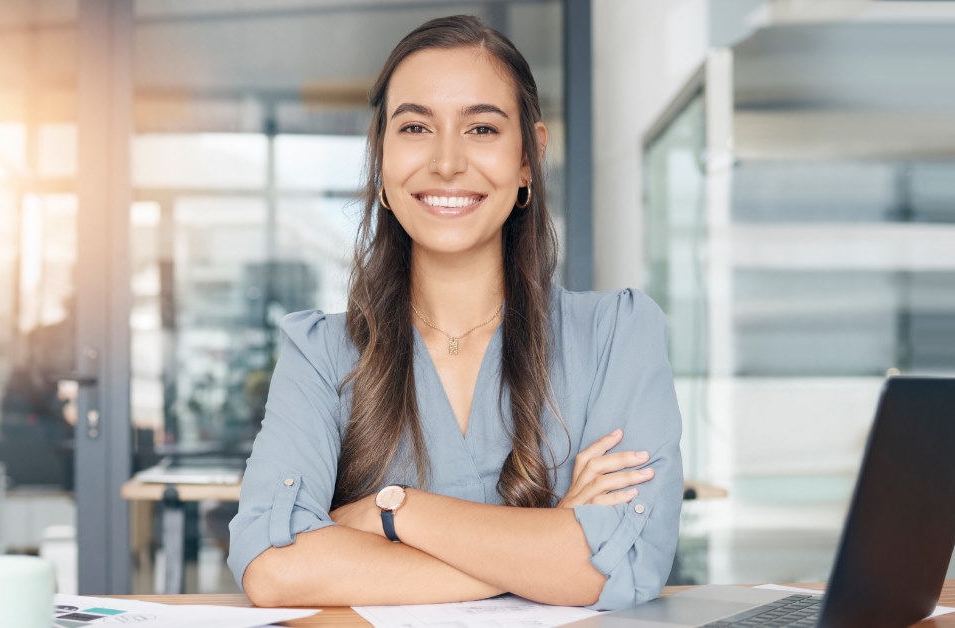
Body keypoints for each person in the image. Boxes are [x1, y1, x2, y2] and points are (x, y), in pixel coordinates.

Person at [228, 15, 682, 611]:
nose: (446, 163)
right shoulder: (320, 354)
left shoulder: (618, 335)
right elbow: (274, 571)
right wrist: (542, 554)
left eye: (482, 129)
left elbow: (622, 565)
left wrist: (391, 513)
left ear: (529, 157)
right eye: (415, 126)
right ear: (382, 157)